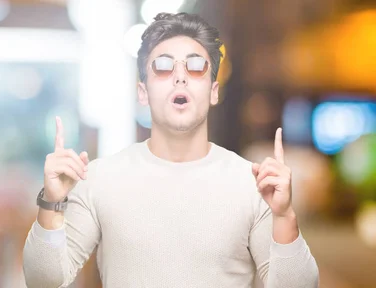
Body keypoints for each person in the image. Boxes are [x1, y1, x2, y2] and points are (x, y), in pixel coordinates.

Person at [22, 12, 319, 288]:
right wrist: (51, 202)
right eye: (163, 66)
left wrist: (284, 217)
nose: (180, 76)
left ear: (214, 91)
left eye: (195, 65)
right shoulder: (100, 178)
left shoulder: (253, 184)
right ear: (143, 92)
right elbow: (44, 279)